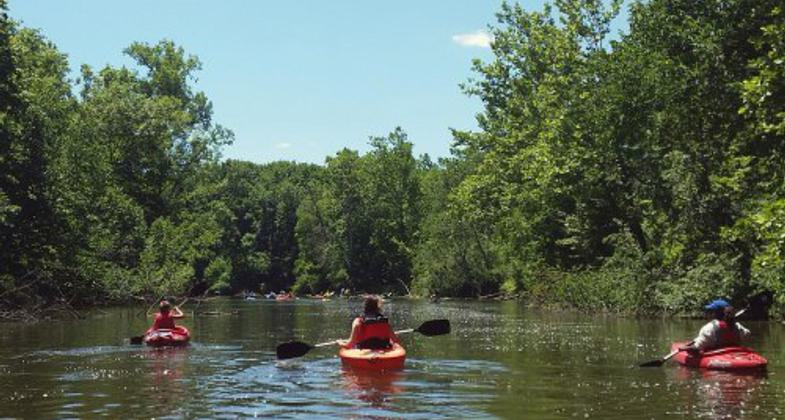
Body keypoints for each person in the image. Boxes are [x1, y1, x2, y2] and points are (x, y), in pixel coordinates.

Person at [679, 299, 750, 353]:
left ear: (716, 313)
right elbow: (747, 333)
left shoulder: (709, 328)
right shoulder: (737, 326)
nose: (709, 313)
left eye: (710, 311)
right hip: (734, 353)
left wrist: (685, 349)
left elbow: (697, 348)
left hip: (717, 355)